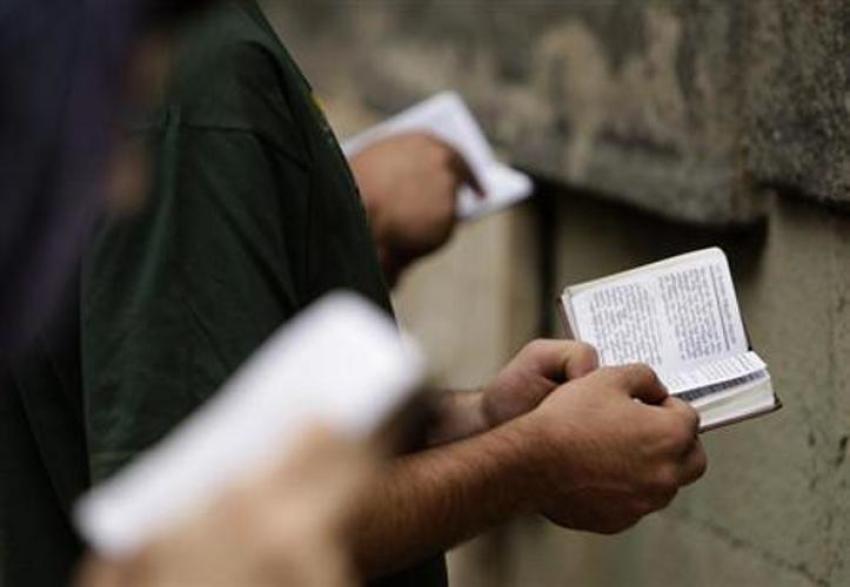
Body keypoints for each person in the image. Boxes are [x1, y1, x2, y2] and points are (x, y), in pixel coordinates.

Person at [3, 1, 707, 586]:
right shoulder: (196, 79)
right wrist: (532, 463)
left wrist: (481, 417)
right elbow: (203, 539)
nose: (124, 182)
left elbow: (230, 433)